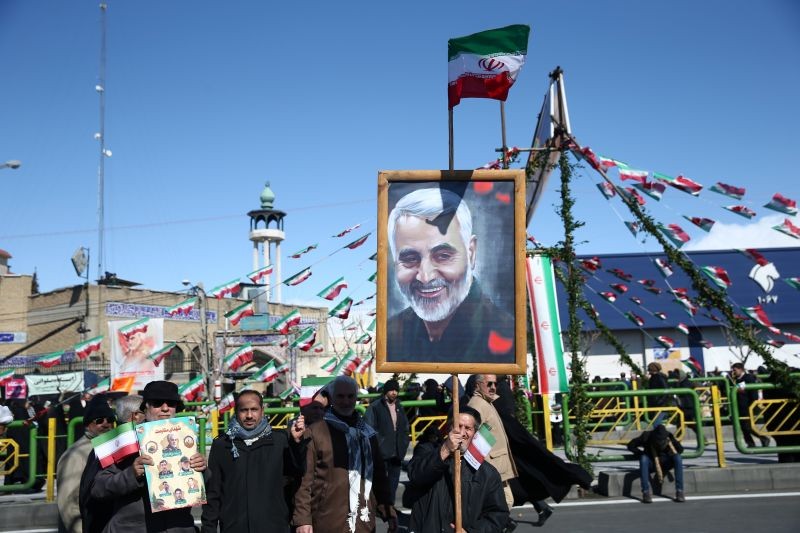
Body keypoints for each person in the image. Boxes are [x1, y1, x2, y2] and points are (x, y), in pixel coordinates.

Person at [386, 187, 515, 363]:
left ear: (471, 253)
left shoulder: (507, 334)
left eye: (443, 256)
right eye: (410, 259)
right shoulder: (390, 335)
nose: (425, 276)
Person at [89, 381, 207, 532]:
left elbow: (207, 487)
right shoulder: (125, 440)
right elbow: (97, 488)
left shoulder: (185, 436)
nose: (165, 409)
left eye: (171, 403)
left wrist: (203, 469)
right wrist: (131, 475)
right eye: (157, 403)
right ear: (146, 408)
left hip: (179, 527)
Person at [293, 376, 396, 533]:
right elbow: (304, 480)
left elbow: (379, 476)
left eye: (350, 396)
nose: (346, 401)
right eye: (340, 396)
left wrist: (388, 510)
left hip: (364, 523)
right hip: (327, 521)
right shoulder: (315, 432)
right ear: (332, 398)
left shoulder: (368, 434)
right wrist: (303, 519)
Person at [201, 389, 307, 533]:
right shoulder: (222, 445)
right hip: (234, 527)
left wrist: (296, 444)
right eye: (244, 410)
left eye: (254, 410)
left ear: (262, 411)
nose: (249, 415)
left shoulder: (279, 441)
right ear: (236, 411)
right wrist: (209, 529)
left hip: (273, 526)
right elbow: (213, 493)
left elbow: (298, 471)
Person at [406, 406, 509, 533]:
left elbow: (498, 514)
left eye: (468, 428)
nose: (461, 432)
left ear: (475, 433)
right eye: (457, 426)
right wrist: (445, 450)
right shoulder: (427, 451)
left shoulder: (487, 473)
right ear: (448, 429)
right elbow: (415, 475)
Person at [79, 394, 144, 533]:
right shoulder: (108, 447)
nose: (106, 423)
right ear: (136, 416)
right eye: (145, 411)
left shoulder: (142, 442)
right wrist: (132, 475)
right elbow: (90, 492)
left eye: (109, 419)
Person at [57, 394, 116, 533]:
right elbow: (69, 502)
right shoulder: (76, 454)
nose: (106, 424)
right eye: (99, 420)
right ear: (88, 425)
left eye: (110, 420)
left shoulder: (108, 446)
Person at [467, 375, 517, 511]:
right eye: (489, 384)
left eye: (495, 384)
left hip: (497, 467)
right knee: (501, 507)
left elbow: (485, 433)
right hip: (492, 469)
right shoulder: (477, 404)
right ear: (477, 385)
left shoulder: (485, 402)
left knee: (505, 505)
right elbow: (471, 437)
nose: (493, 387)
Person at [364, 379, 410, 507]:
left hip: (397, 450)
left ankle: (390, 505)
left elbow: (405, 427)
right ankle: (380, 505)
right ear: (386, 391)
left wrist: (404, 443)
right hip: (382, 451)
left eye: (396, 390)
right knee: (380, 480)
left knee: (394, 480)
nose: (394, 393)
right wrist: (378, 445)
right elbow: (369, 428)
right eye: (391, 390)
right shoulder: (376, 406)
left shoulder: (399, 406)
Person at [627, 425, 686, 503]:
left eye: (662, 441)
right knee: (643, 459)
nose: (660, 443)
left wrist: (672, 445)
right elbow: (631, 445)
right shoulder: (647, 436)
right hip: (652, 463)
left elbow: (680, 450)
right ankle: (645, 492)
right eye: (658, 441)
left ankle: (680, 491)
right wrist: (640, 453)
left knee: (678, 458)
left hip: (666, 463)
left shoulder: (669, 436)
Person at [730, 362, 770, 447]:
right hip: (740, 406)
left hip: (748, 405)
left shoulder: (748, 378)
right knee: (743, 426)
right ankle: (751, 443)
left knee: (747, 426)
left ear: (741, 369)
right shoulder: (736, 379)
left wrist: (753, 404)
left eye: (735, 370)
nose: (734, 372)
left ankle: (763, 438)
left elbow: (753, 392)